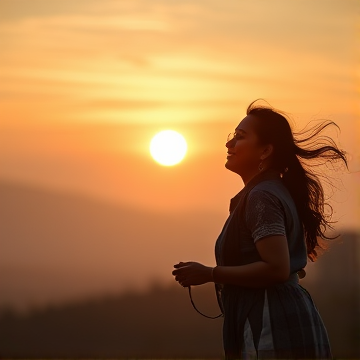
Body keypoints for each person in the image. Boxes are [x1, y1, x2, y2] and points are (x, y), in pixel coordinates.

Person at [172, 100, 348, 359]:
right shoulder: (269, 191)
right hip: (281, 315)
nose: (229, 144)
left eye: (239, 137)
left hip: (272, 323)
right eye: (232, 137)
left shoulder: (262, 196)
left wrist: (209, 273)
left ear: (265, 151)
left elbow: (276, 268)